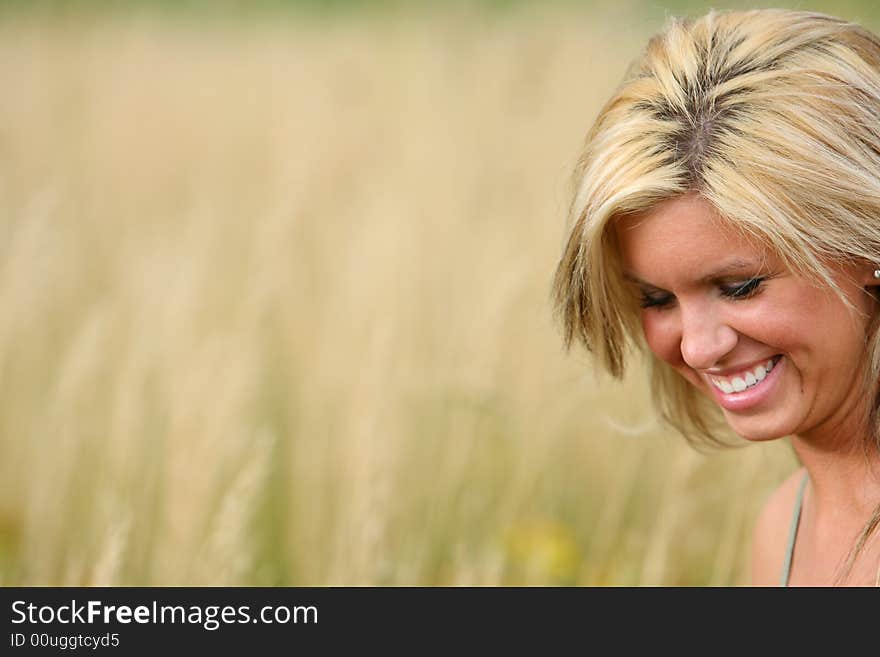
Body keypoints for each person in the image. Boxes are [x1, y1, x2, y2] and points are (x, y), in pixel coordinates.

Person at [552, 8, 880, 585]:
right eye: (656, 300)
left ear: (866, 241)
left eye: (740, 287)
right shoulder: (785, 525)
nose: (700, 349)